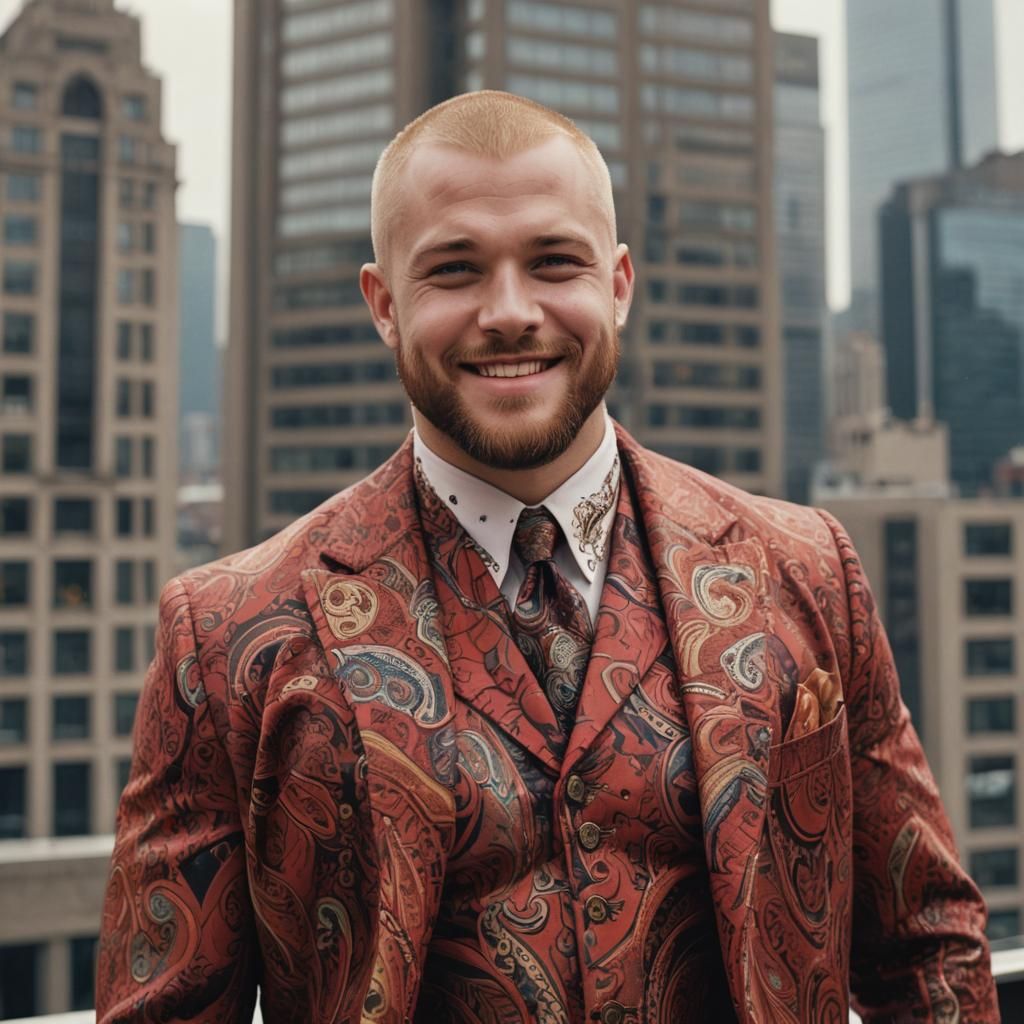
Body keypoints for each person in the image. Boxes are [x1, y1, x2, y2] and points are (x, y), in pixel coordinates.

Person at [96, 92, 997, 1023]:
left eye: (553, 262)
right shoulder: (224, 633)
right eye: (454, 270)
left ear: (618, 284)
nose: (511, 312)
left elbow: (927, 944)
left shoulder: (807, 570)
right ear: (384, 305)